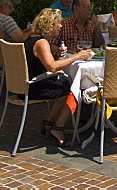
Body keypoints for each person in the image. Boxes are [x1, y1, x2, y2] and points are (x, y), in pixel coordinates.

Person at [24, 8, 94, 146]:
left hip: (25, 86)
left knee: (65, 84)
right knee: (73, 88)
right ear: (50, 25)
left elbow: (43, 62)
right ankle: (58, 127)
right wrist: (77, 56)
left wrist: (57, 55)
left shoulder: (31, 39)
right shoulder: (41, 43)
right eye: (58, 23)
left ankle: (49, 124)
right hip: (35, 87)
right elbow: (52, 67)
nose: (60, 26)